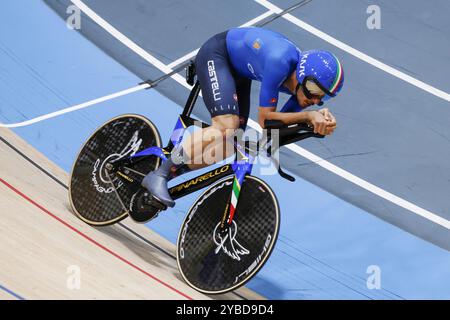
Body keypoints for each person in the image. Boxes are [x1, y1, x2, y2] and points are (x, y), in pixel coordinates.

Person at [142, 27, 344, 208]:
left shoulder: (301, 92)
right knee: (225, 125)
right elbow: (266, 119)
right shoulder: (279, 61)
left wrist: (314, 127)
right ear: (303, 77)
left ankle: (171, 172)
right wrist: (308, 116)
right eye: (315, 91)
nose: (317, 100)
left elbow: (272, 132)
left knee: (230, 145)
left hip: (238, 73)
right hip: (217, 55)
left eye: (323, 97)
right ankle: (158, 174)